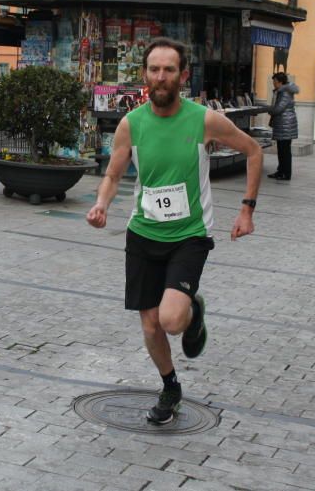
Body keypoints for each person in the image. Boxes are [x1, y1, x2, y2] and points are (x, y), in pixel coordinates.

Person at [86, 37, 262, 425]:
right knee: (150, 325)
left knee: (169, 320)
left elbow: (253, 151)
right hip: (143, 233)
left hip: (189, 235)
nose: (160, 77)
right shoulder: (131, 123)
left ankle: (192, 308)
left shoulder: (204, 120)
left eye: (169, 70)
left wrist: (246, 210)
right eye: (154, 69)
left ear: (183, 76)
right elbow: (114, 175)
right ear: (145, 75)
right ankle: (170, 386)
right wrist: (101, 204)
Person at [255, 72, 299, 181]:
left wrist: (269, 110)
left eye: (274, 81)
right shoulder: (283, 91)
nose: (273, 83)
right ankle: (281, 171)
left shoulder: (284, 93)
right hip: (283, 125)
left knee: (284, 151)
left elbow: (278, 108)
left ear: (280, 82)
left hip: (285, 126)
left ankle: (285, 173)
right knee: (282, 150)